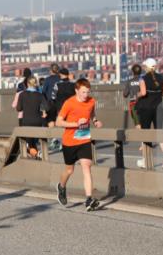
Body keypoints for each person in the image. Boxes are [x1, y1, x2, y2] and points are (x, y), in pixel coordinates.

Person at [55, 78, 102, 212]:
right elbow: (58, 122)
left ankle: (89, 199)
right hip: (69, 142)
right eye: (83, 92)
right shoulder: (69, 103)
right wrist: (76, 124)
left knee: (86, 167)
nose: (85, 95)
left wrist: (95, 121)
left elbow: (91, 112)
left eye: (87, 92)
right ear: (76, 91)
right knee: (69, 170)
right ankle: (61, 187)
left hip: (84, 140)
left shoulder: (91, 101)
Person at [135, 58, 163, 168]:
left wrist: (137, 95)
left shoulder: (143, 78)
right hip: (159, 108)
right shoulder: (161, 77)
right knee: (160, 132)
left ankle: (146, 160)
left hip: (146, 108)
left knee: (145, 133)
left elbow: (143, 93)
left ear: (146, 67)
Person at [16, 76, 48, 157]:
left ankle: (37, 154)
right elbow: (46, 107)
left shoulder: (22, 94)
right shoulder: (39, 95)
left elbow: (19, 108)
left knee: (29, 142)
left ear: (27, 84)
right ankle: (36, 154)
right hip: (38, 121)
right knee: (34, 140)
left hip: (26, 121)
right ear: (35, 83)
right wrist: (42, 111)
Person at [123, 64, 142, 129]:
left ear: (132, 72)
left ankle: (140, 135)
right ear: (140, 71)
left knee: (137, 123)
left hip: (133, 104)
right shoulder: (143, 80)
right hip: (143, 103)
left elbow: (125, 94)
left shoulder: (129, 82)